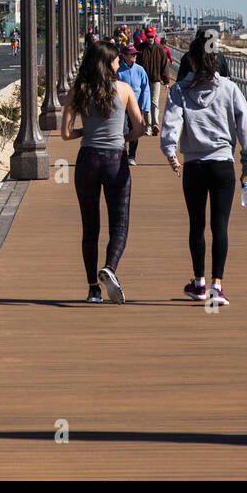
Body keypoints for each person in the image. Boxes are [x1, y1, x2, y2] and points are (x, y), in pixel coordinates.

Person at [161, 29, 247, 307]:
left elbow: (171, 123)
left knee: (196, 224)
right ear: (215, 60)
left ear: (190, 60)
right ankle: (217, 286)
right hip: (223, 165)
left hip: (194, 165)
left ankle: (198, 283)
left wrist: (170, 152)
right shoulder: (229, 89)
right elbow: (246, 128)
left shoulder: (179, 90)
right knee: (220, 226)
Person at [61, 40, 145, 303]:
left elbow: (64, 134)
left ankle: (92, 290)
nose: (120, 62)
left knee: (90, 226)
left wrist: (86, 132)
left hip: (87, 160)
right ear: (108, 62)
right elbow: (139, 127)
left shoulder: (80, 90)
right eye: (116, 59)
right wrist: (123, 138)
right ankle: (109, 268)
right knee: (119, 224)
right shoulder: (124, 89)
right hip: (115, 160)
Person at [116, 43, 150, 163]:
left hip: (136, 105)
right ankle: (124, 154)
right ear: (124, 56)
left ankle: (132, 156)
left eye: (135, 54)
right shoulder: (118, 70)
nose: (134, 56)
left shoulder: (140, 70)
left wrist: (146, 106)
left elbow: (145, 88)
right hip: (122, 106)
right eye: (131, 54)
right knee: (123, 130)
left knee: (136, 130)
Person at [137, 29, 173, 136]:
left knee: (154, 102)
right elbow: (136, 67)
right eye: (148, 37)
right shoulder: (140, 49)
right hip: (143, 81)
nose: (150, 39)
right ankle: (147, 125)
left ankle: (155, 124)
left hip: (156, 80)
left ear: (154, 37)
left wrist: (166, 80)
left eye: (152, 37)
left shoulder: (160, 49)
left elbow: (164, 66)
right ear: (146, 37)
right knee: (145, 103)